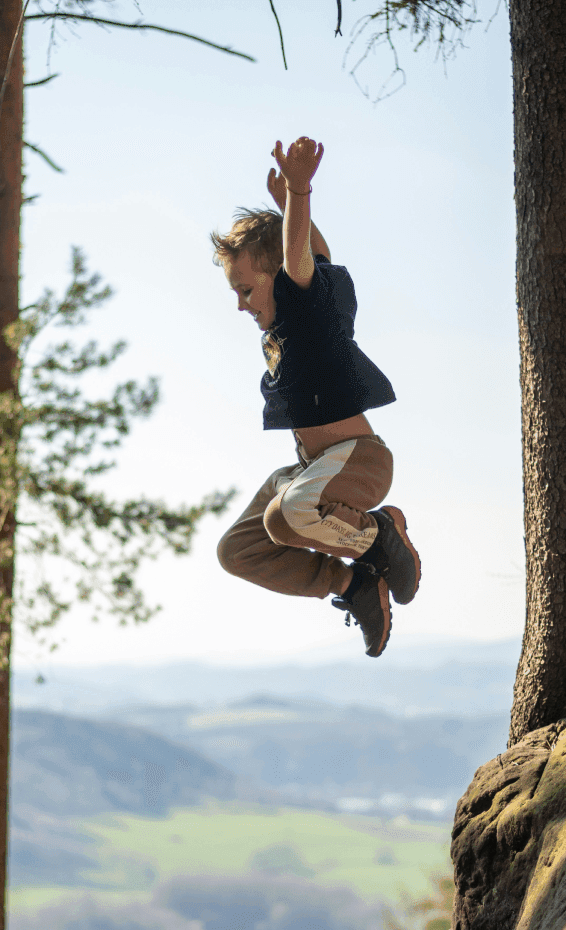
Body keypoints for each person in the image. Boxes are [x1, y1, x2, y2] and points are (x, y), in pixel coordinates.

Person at [211, 136, 420, 657]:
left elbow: (303, 257)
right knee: (238, 550)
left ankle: (379, 535)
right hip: (313, 470)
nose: (240, 306)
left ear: (276, 276)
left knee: (285, 518)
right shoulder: (302, 312)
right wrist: (284, 206)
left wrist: (300, 193)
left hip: (358, 463)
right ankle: (353, 586)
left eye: (244, 290)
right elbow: (317, 252)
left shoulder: (300, 303)